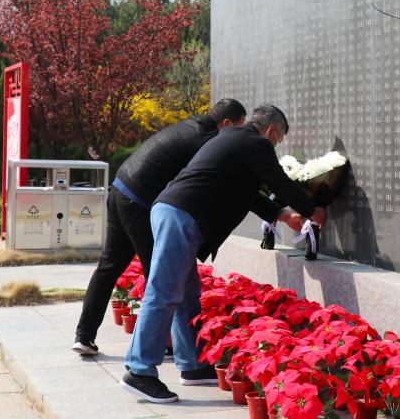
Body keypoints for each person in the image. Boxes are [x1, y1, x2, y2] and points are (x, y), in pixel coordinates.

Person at [120, 104, 327, 403]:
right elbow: (279, 182)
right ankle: (139, 371)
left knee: (187, 292)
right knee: (163, 292)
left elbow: (247, 194)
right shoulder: (255, 142)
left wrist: (283, 215)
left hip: (176, 213)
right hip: (181, 216)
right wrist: (312, 210)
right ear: (271, 131)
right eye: (278, 140)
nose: (275, 146)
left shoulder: (233, 140)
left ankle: (191, 364)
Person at [71, 99, 248, 356]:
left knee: (109, 267)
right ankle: (163, 344)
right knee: (161, 275)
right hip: (139, 201)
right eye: (237, 130)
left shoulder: (192, 125)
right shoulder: (207, 140)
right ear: (226, 124)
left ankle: (84, 336)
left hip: (120, 189)